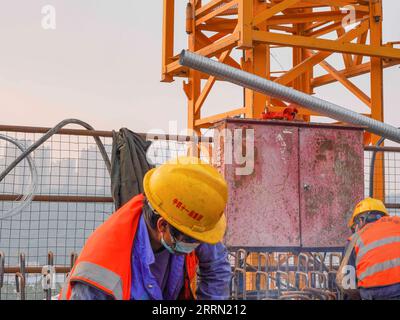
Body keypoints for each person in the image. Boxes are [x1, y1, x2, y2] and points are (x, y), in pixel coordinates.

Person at [60, 157, 232, 300]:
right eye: (193, 240)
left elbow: (216, 267)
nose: (198, 244)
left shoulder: (191, 220)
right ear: (162, 225)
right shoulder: (102, 271)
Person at [338, 197, 400, 300]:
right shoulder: (397, 226)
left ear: (361, 221)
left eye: (354, 227)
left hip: (376, 294)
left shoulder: (355, 239)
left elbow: (348, 285)